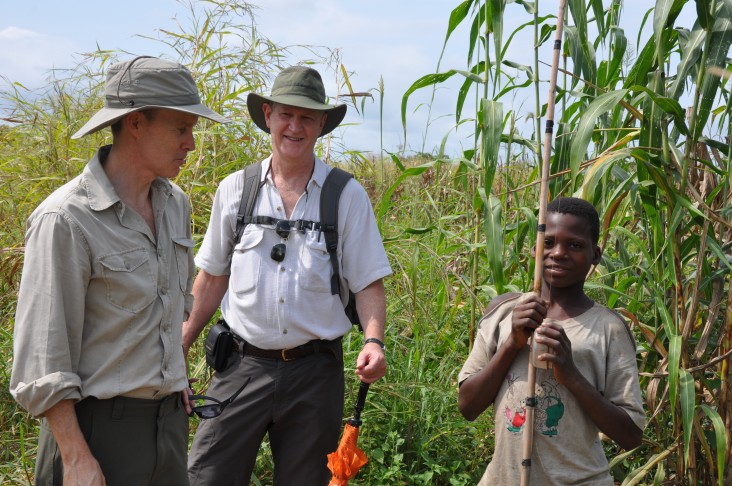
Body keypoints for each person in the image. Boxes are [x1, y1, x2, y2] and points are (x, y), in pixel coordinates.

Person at [9, 56, 230, 486]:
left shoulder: (174, 204)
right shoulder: (66, 219)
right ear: (135, 124)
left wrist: (174, 384)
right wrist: (75, 457)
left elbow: (168, 314)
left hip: (168, 427)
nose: (191, 143)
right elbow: (43, 355)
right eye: (180, 128)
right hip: (94, 435)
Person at [184, 65, 392, 485]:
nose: (294, 126)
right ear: (268, 116)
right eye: (286, 114)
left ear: (320, 126)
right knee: (206, 476)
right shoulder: (236, 189)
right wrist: (177, 348)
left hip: (315, 373)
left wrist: (374, 341)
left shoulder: (346, 195)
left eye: (307, 117)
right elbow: (211, 278)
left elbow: (368, 282)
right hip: (240, 366)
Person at [457, 197, 645, 485]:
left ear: (595, 255)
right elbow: (468, 406)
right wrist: (512, 343)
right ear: (535, 249)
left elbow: (631, 435)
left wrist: (571, 374)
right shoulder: (504, 312)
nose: (558, 253)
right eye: (549, 242)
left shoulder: (608, 328)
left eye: (575, 245)